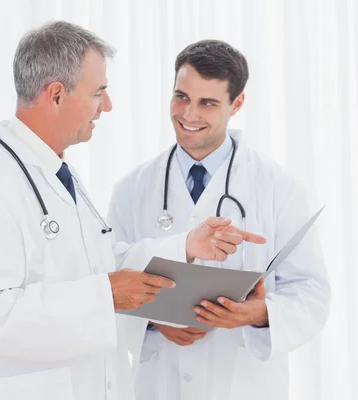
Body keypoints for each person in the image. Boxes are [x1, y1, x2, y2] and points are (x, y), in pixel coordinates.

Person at [0, 23, 266, 400]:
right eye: (99, 92)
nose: (107, 105)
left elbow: (100, 264)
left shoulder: (57, 173)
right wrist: (105, 295)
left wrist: (187, 245)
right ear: (57, 95)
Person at [107, 39, 331, 399]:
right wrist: (151, 322)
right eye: (181, 97)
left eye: (207, 103)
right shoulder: (132, 188)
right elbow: (107, 278)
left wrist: (259, 314)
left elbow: (312, 292)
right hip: (159, 384)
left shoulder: (278, 187)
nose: (189, 114)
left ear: (237, 103)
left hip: (244, 385)